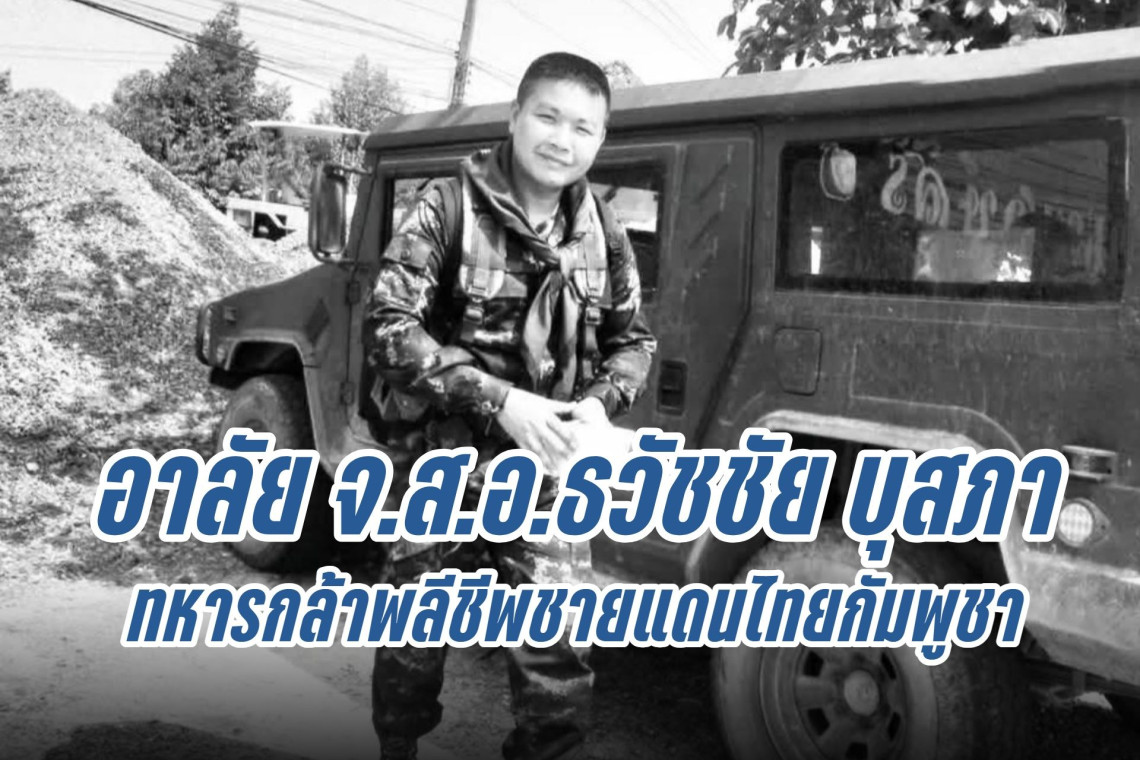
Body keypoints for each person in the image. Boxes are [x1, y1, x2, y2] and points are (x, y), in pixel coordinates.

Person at [364, 52, 657, 760]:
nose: (563, 139)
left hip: (546, 478)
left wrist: (600, 403)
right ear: (516, 117)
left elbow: (634, 341)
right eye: (548, 117)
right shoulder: (448, 207)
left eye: (583, 127)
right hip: (438, 468)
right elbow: (388, 328)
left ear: (600, 139)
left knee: (559, 661)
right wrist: (501, 403)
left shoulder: (602, 230)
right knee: (411, 648)